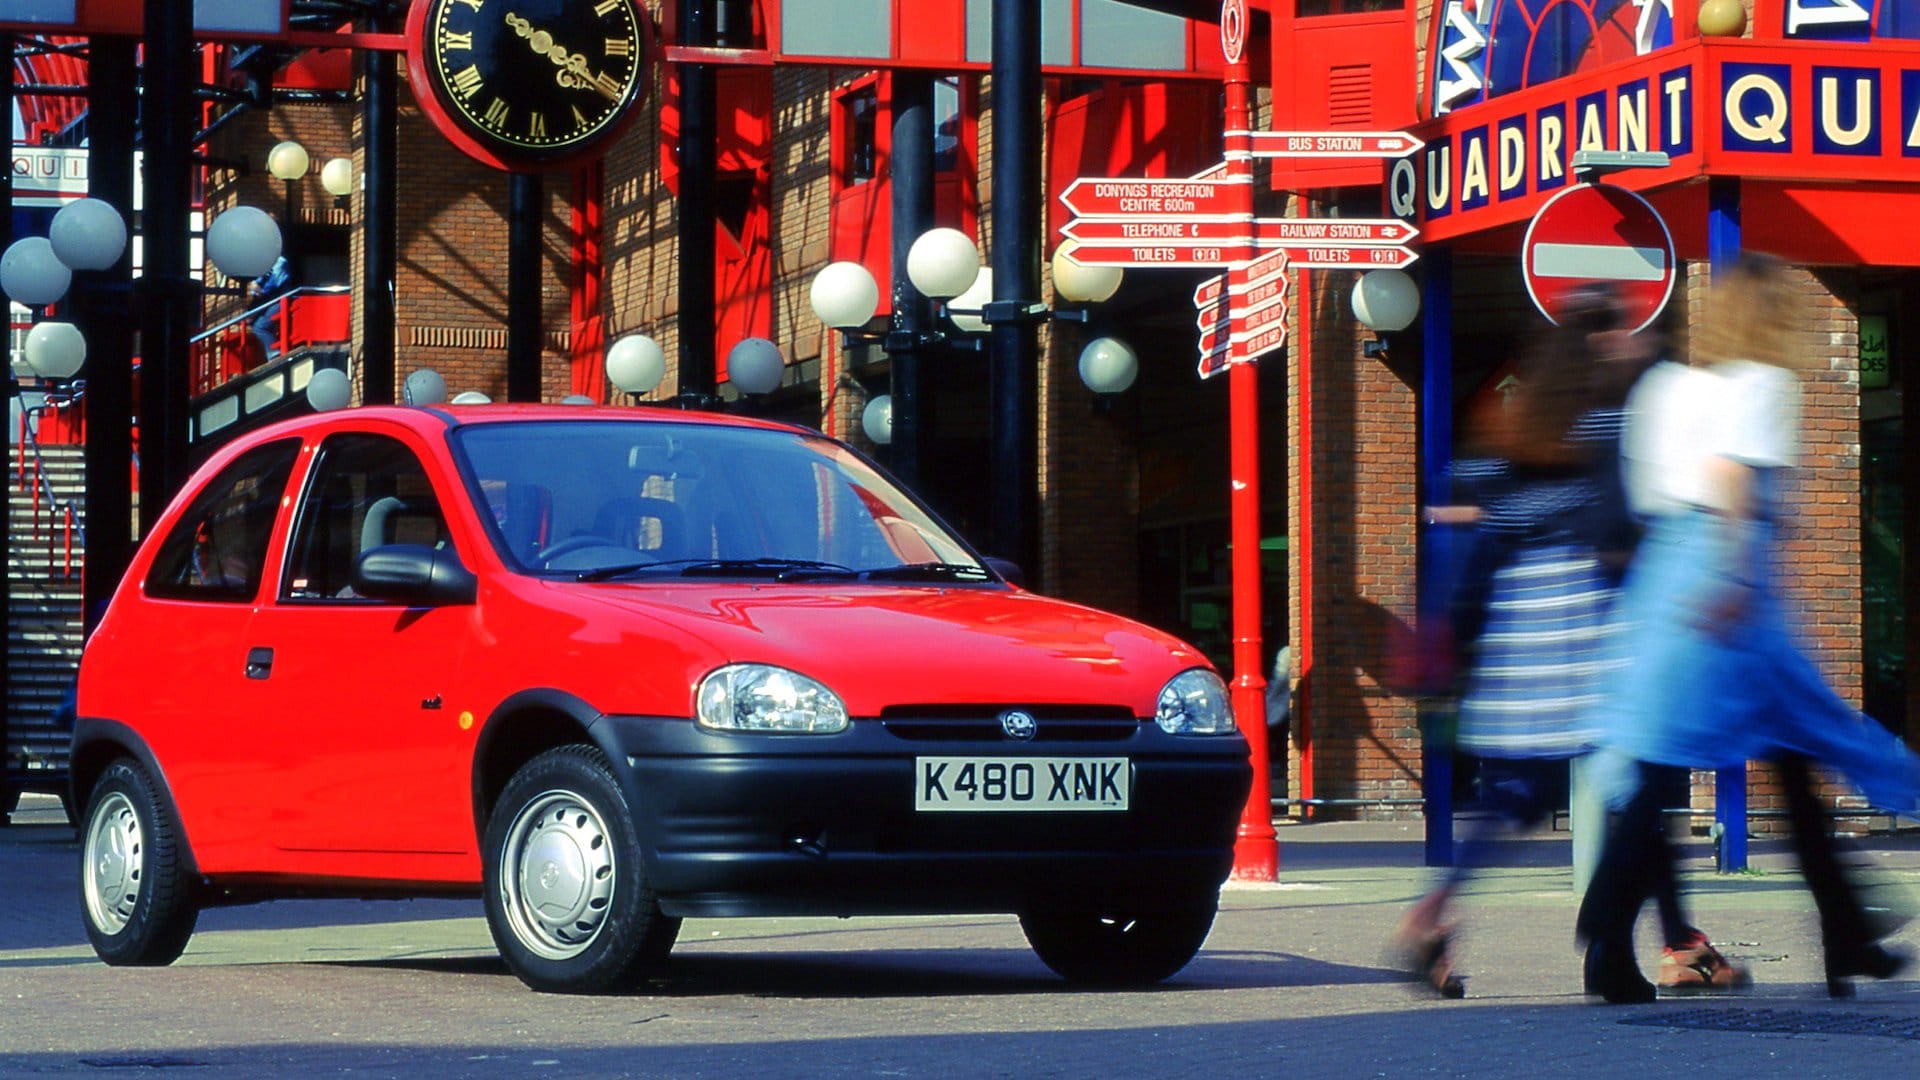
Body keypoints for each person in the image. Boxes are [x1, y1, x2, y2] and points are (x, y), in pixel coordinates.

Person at [1576, 254, 1920, 1003]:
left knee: (1683, 757)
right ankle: (1844, 929)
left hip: (1665, 576)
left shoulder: (1669, 392)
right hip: (1732, 579)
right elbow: (1734, 476)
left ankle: (1843, 932)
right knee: (1813, 737)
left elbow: (1649, 497)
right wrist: (1734, 572)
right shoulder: (1765, 385)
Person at [1395, 286, 1741, 999]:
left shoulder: (1516, 423)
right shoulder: (1611, 422)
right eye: (1622, 333)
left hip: (1524, 620)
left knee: (1522, 795)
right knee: (1642, 784)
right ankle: (1652, 945)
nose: (1634, 342)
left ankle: (1434, 914)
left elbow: (1473, 512)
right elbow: (1619, 532)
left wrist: (1461, 631)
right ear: (1602, 345)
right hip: (1597, 621)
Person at [249, 250, 295, 361]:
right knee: (254, 323)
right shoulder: (264, 262)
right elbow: (256, 283)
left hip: (280, 299)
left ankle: (274, 355)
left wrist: (258, 290)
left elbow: (274, 283)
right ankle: (271, 353)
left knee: (260, 327)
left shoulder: (280, 262)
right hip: (269, 300)